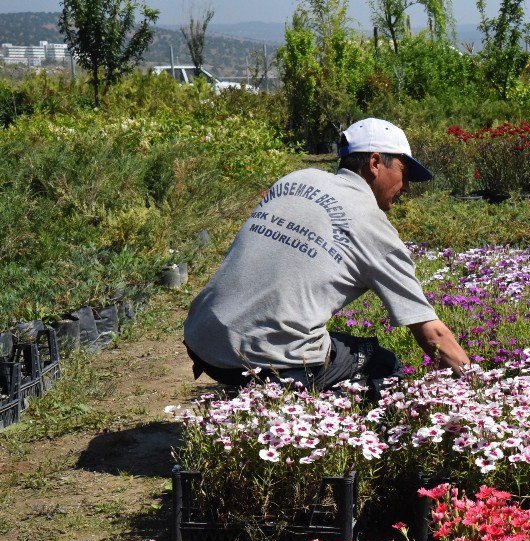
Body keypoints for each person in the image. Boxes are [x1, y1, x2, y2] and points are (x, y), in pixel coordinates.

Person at [183, 118, 470, 395]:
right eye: (405, 174)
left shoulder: (296, 178)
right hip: (263, 360)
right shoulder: (372, 225)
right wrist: (477, 388)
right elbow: (433, 335)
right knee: (383, 365)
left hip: (202, 338)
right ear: (375, 163)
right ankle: (332, 429)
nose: (407, 187)